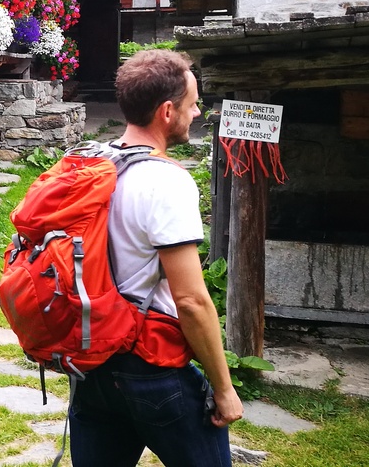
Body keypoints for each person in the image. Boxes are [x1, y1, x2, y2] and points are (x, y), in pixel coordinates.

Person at [69, 49, 243, 467]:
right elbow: (191, 300)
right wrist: (224, 387)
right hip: (152, 367)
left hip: (91, 361)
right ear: (167, 111)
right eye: (192, 103)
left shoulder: (90, 163)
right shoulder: (167, 182)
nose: (198, 113)